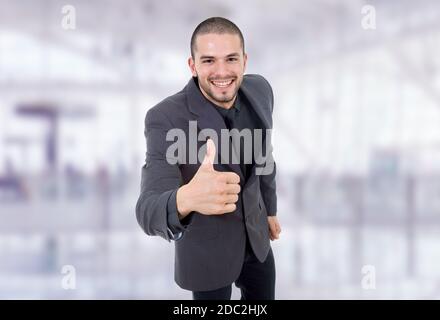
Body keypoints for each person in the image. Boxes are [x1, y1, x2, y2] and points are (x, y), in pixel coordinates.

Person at [136, 17, 281, 300]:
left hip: (258, 243)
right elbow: (147, 210)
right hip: (208, 253)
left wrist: (270, 209)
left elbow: (265, 155)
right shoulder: (165, 118)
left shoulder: (261, 91)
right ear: (192, 66)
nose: (222, 71)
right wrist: (186, 198)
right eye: (208, 61)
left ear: (244, 61)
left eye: (230, 59)